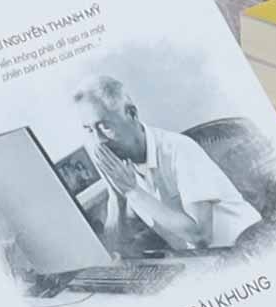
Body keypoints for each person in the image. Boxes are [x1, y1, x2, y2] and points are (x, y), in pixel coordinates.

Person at [71, 72, 261, 256]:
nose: (98, 140)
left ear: (131, 113)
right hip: (203, 262)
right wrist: (116, 196)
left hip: (249, 247)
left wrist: (132, 191)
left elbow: (201, 236)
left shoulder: (179, 149)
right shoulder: (123, 166)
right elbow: (115, 249)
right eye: (89, 130)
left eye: (105, 126)